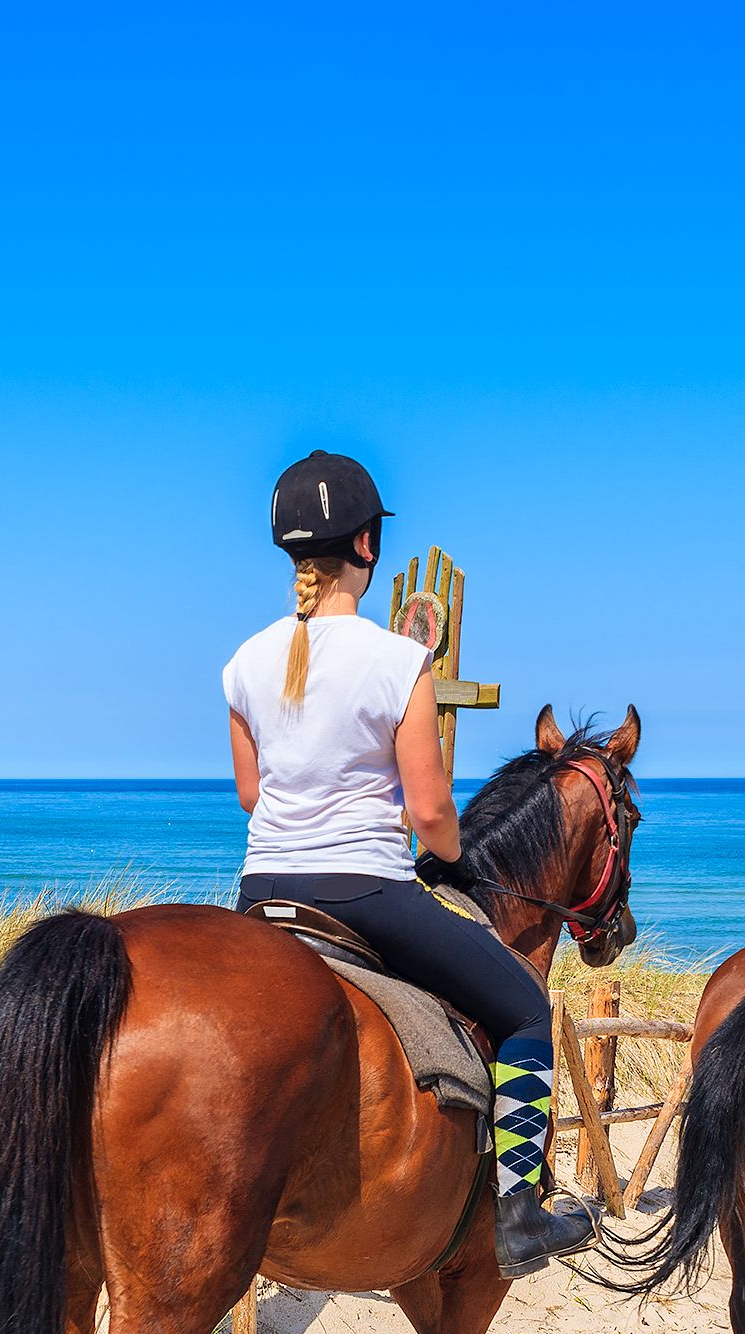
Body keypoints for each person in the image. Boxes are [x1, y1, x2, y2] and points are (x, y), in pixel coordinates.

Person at [226, 450, 597, 1277]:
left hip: (260, 894)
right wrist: (452, 853)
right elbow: (431, 818)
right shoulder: (398, 661)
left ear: (290, 550)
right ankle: (518, 1210)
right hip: (362, 891)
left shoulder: (245, 662)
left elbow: (254, 796)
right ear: (367, 545)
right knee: (523, 1010)